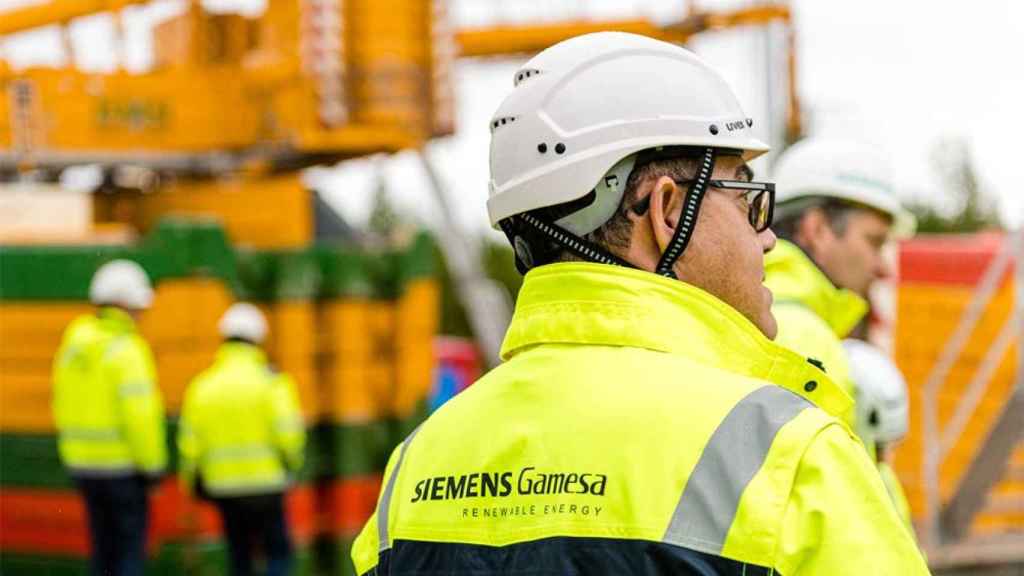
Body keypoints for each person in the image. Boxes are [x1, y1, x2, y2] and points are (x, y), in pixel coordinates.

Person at [351, 32, 928, 575]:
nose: (769, 237)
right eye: (745, 197)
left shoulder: (413, 470)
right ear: (668, 211)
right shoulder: (786, 456)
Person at [764, 137, 917, 431]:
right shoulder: (806, 342)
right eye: (874, 241)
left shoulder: (756, 313)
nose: (883, 266)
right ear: (817, 229)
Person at [52, 259, 167, 576]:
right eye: (138, 308)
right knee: (128, 553)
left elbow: (60, 403)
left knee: (102, 552)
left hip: (83, 466)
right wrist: (152, 467)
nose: (141, 315)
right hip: (124, 470)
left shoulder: (73, 346)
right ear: (124, 305)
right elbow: (140, 417)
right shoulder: (128, 351)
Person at [178, 303, 305, 576]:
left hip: (223, 488)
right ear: (259, 339)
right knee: (278, 552)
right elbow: (289, 436)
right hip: (267, 485)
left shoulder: (203, 386)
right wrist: (293, 466)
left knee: (240, 557)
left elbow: (190, 445)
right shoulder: (272, 383)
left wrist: (191, 483)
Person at [844, 339, 915, 531]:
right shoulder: (832, 482)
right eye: (879, 447)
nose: (885, 460)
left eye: (890, 447)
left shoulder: (885, 481)